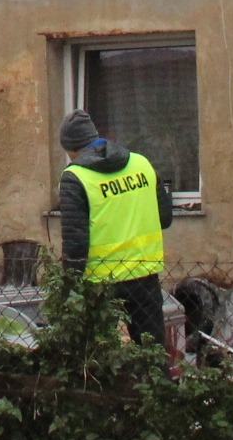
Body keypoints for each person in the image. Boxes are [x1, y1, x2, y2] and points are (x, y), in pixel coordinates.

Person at [54, 109, 173, 350]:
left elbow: (76, 244)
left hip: (100, 284)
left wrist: (69, 288)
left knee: (100, 356)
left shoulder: (74, 177)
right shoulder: (141, 163)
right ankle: (158, 388)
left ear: (71, 148)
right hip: (144, 275)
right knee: (152, 354)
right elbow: (165, 218)